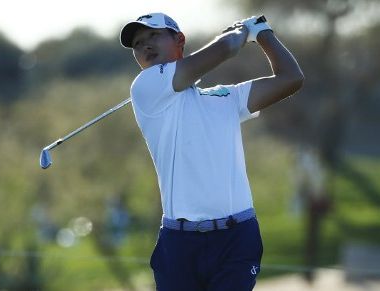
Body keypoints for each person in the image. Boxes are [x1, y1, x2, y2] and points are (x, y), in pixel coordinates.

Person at [119, 12, 304, 291]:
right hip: (179, 243)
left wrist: (264, 33)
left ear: (179, 40)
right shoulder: (145, 87)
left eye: (153, 35)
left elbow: (291, 78)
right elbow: (228, 47)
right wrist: (244, 31)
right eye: (137, 43)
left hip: (236, 238)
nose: (145, 45)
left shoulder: (225, 97)